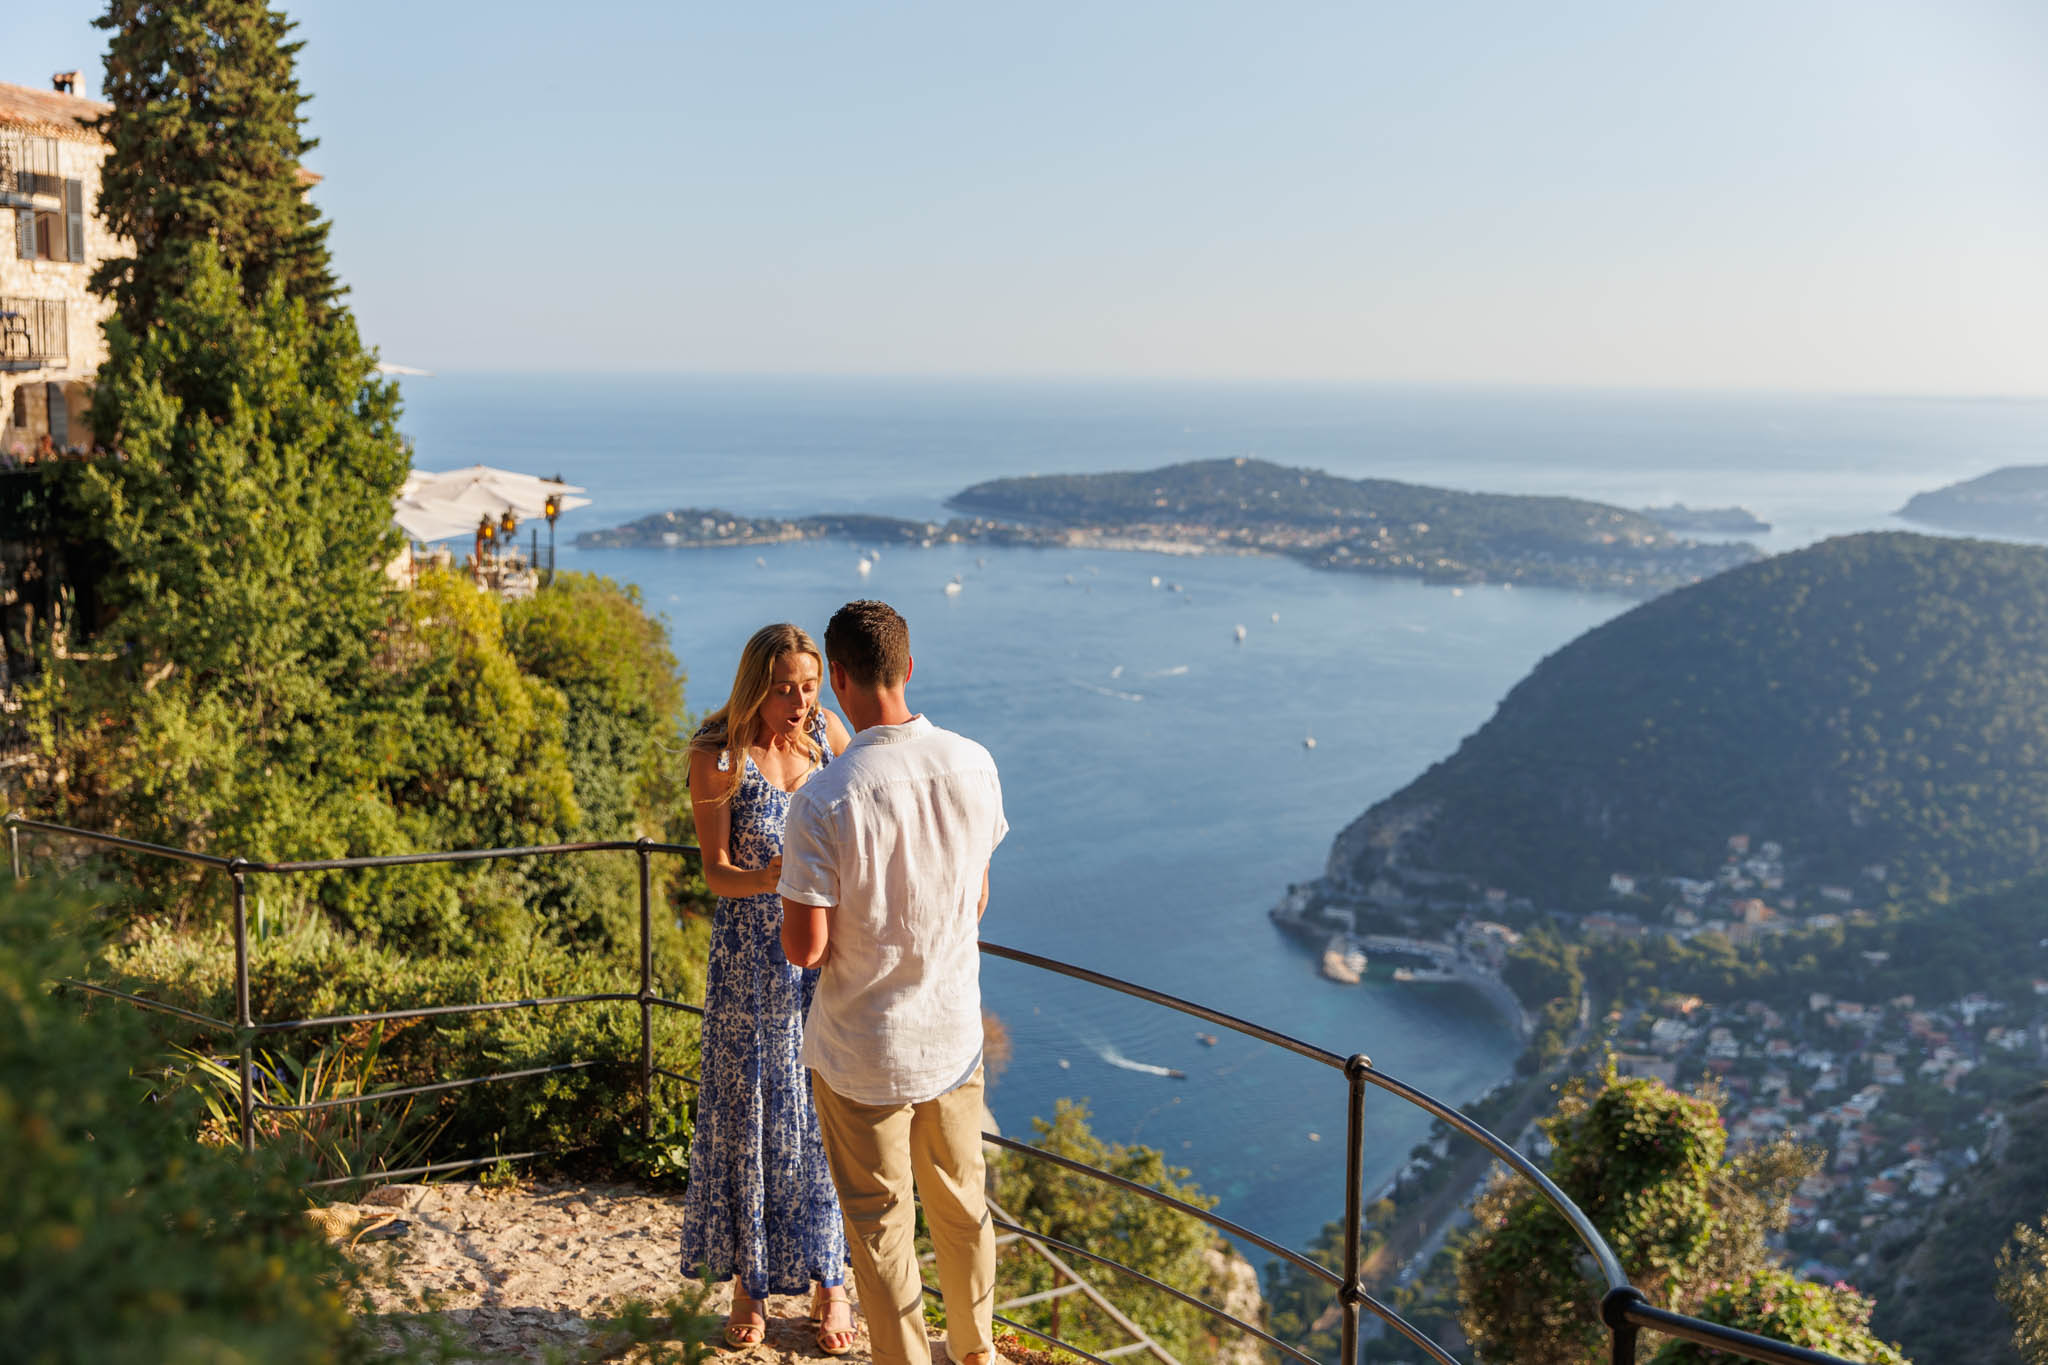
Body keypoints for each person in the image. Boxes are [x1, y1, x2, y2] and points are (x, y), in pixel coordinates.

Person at [779, 600, 1008, 1365]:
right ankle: (976, 1352)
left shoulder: (823, 797)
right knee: (963, 1207)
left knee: (880, 1227)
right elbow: (976, 897)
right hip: (953, 1034)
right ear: (907, 667)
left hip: (864, 1051)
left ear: (838, 678)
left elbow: (806, 948)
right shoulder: (975, 763)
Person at [679, 622, 858, 1354]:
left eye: (809, 685)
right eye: (785, 687)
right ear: (756, 683)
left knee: (822, 1117)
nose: (799, 700)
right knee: (749, 1115)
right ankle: (749, 1285)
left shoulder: (829, 740)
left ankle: (831, 1282)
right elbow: (716, 872)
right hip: (749, 967)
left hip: (822, 964)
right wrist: (773, 878)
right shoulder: (716, 754)